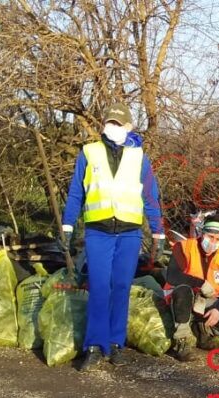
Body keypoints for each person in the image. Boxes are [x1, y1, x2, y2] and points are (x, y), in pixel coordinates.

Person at [61, 102, 165, 372]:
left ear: (128, 127)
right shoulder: (89, 152)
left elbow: (151, 196)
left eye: (118, 124)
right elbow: (76, 193)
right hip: (98, 232)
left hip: (129, 233)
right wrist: (67, 226)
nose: (113, 127)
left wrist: (158, 230)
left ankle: (116, 343)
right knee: (98, 287)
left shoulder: (139, 157)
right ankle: (94, 346)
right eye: (110, 122)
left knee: (120, 287)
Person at [165, 218, 219, 359]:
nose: (213, 242)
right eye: (210, 237)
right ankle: (182, 342)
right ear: (203, 233)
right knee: (183, 291)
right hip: (180, 296)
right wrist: (200, 283)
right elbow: (172, 276)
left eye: (218, 239)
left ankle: (202, 331)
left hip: (207, 301)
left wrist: (218, 309)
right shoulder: (184, 247)